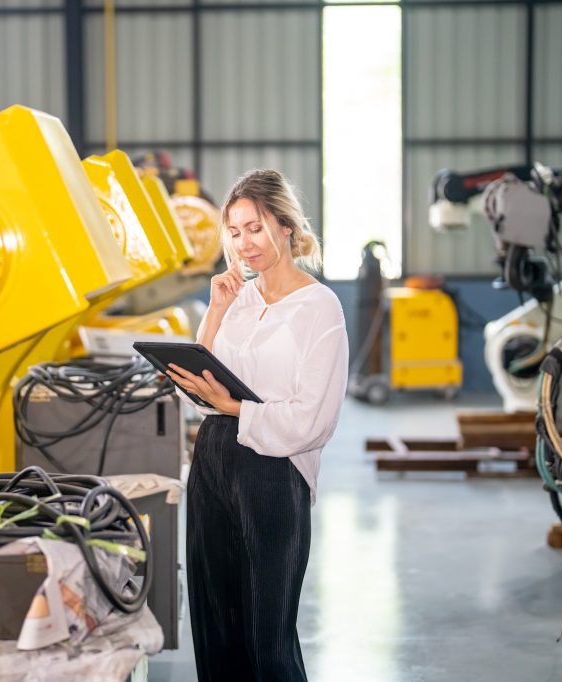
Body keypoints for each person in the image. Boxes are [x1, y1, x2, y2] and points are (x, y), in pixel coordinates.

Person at [166, 169, 348, 682]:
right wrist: (218, 310)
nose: (245, 244)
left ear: (285, 226)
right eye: (235, 231)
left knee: (268, 637)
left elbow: (313, 420)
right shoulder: (238, 299)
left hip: (273, 471)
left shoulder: (320, 308)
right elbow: (200, 386)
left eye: (256, 227)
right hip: (213, 463)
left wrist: (233, 408)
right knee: (215, 628)